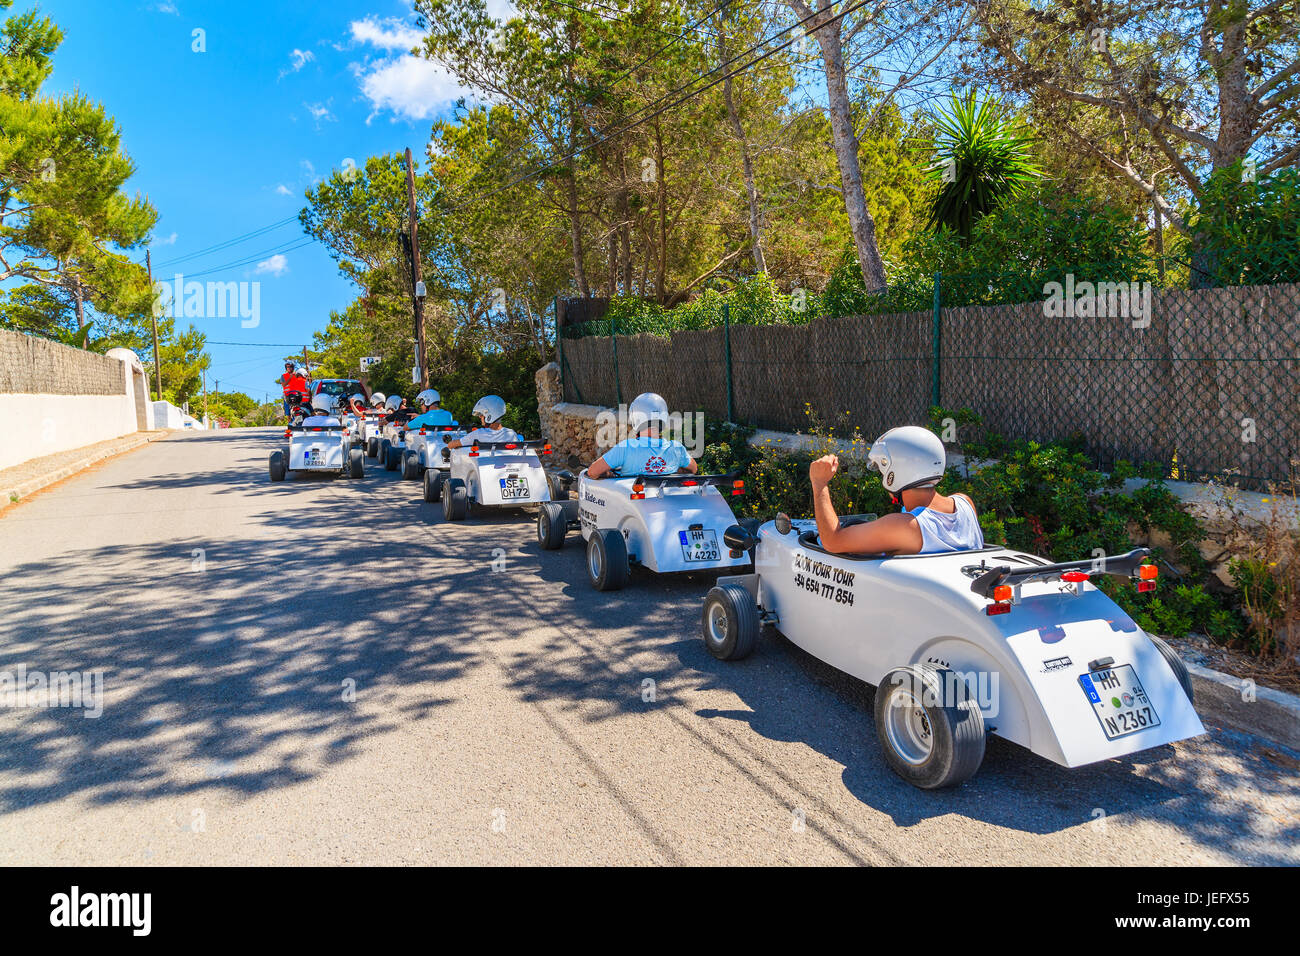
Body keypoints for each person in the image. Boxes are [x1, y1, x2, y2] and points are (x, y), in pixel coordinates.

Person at [809, 425, 982, 556]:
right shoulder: (964, 503)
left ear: (896, 470)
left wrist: (819, 484)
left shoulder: (905, 526)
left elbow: (833, 541)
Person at [587, 392, 697, 479]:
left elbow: (592, 472)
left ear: (635, 417)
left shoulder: (626, 447)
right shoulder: (676, 448)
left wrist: (608, 474)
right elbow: (693, 469)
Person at [445, 395, 517, 449]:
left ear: (489, 415)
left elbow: (451, 445)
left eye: (481, 414)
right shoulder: (511, 433)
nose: (479, 417)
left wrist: (451, 442)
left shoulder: (478, 434)